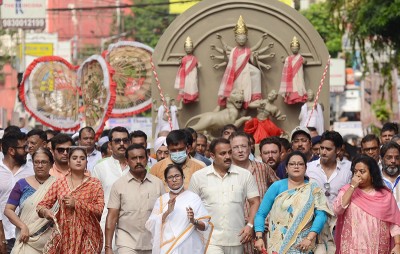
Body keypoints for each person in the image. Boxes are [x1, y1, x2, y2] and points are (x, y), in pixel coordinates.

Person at [189, 138, 260, 253]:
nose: (227, 156)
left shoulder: (244, 175)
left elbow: (255, 201)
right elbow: (191, 205)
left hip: (237, 238)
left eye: (229, 152)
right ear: (212, 155)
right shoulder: (198, 177)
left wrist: (250, 225)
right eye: (222, 153)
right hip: (210, 239)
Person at [254, 151, 332, 254]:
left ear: (305, 168)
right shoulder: (277, 186)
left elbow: (321, 215)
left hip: (303, 245)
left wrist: (309, 238)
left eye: (300, 164)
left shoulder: (313, 188)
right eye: (292, 164)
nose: (296, 167)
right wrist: (259, 237)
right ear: (286, 168)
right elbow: (261, 214)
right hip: (277, 244)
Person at [37, 147, 104, 253]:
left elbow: (99, 209)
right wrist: (45, 212)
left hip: (87, 236)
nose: (78, 160)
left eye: (82, 158)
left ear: (86, 162)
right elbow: (42, 205)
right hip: (64, 235)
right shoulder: (60, 183)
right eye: (75, 158)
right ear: (68, 162)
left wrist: (76, 204)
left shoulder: (94, 184)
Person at [333, 154, 400, 254]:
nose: (358, 175)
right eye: (355, 172)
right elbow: (337, 210)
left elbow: (394, 223)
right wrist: (352, 187)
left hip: (378, 248)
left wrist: (398, 244)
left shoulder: (385, 195)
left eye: (362, 171)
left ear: (372, 173)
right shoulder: (347, 191)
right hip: (352, 248)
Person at [105, 144, 165, 254]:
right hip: (126, 243)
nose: (138, 161)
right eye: (133, 158)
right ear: (127, 161)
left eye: (141, 157)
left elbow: (164, 214)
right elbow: (112, 217)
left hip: (152, 243)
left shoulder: (158, 184)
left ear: (147, 159)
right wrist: (108, 247)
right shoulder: (118, 185)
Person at [146, 164, 212, 254]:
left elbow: (205, 226)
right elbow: (150, 224)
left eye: (177, 176)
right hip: (167, 247)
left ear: (183, 177)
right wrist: (167, 212)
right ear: (165, 181)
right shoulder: (161, 200)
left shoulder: (193, 197)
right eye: (170, 177)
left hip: (190, 246)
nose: (174, 180)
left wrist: (193, 220)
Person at [230, 132, 278, 254]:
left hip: (263, 233)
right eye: (235, 147)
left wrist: (270, 217)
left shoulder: (263, 169)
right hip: (237, 233)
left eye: (244, 146)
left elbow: (280, 193)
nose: (240, 150)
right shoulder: (226, 172)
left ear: (250, 147)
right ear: (230, 150)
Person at [306, 130, 352, 254]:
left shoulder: (347, 170)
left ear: (337, 150)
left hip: (338, 225)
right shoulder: (308, 169)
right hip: (313, 223)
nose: (323, 152)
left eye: (328, 149)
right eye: (322, 148)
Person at [212, 16, 271, 109]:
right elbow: (226, 47)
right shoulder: (233, 51)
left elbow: (254, 59)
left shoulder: (248, 51)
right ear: (236, 38)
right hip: (234, 74)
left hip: (246, 73)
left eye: (243, 38)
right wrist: (221, 39)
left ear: (246, 38)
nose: (241, 40)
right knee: (236, 93)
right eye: (239, 38)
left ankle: (255, 97)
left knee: (257, 72)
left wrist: (262, 40)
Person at [4, 148, 56, 253]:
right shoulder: (22, 184)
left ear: (51, 164)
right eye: (36, 162)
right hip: (26, 240)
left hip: (51, 243)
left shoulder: (58, 184)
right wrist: (22, 226)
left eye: (44, 162)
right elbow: (8, 210)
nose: (40, 165)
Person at [92, 126, 131, 252]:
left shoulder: (137, 167)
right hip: (106, 228)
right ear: (110, 144)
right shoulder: (100, 168)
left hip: (132, 231)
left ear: (129, 143)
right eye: (117, 141)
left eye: (125, 141)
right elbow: (93, 201)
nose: (122, 144)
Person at [0, 131, 33, 253]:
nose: (27, 150)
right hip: (3, 235)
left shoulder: (32, 170)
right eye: (24, 147)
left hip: (27, 235)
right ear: (11, 151)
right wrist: (1, 237)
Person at [279, 36, 308, 105]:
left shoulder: (301, 58)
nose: (294, 49)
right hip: (291, 78)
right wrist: (284, 61)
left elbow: (305, 61)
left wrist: (304, 60)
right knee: (292, 88)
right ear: (291, 48)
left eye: (296, 48)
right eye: (293, 48)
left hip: (298, 76)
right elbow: (287, 65)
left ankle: (299, 97)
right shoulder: (288, 58)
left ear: (299, 48)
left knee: (299, 86)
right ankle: (291, 98)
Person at [174, 36, 199, 104]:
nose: (188, 49)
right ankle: (186, 97)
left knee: (193, 84)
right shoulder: (184, 58)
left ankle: (193, 97)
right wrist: (180, 61)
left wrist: (198, 65)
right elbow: (181, 64)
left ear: (192, 48)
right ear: (185, 49)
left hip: (192, 73)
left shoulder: (194, 58)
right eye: (187, 48)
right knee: (186, 85)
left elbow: (197, 63)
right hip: (186, 74)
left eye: (190, 48)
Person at [380, 142, 400, 208]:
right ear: (381, 159)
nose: (393, 161)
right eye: (389, 158)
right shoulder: (374, 181)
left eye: (397, 158)